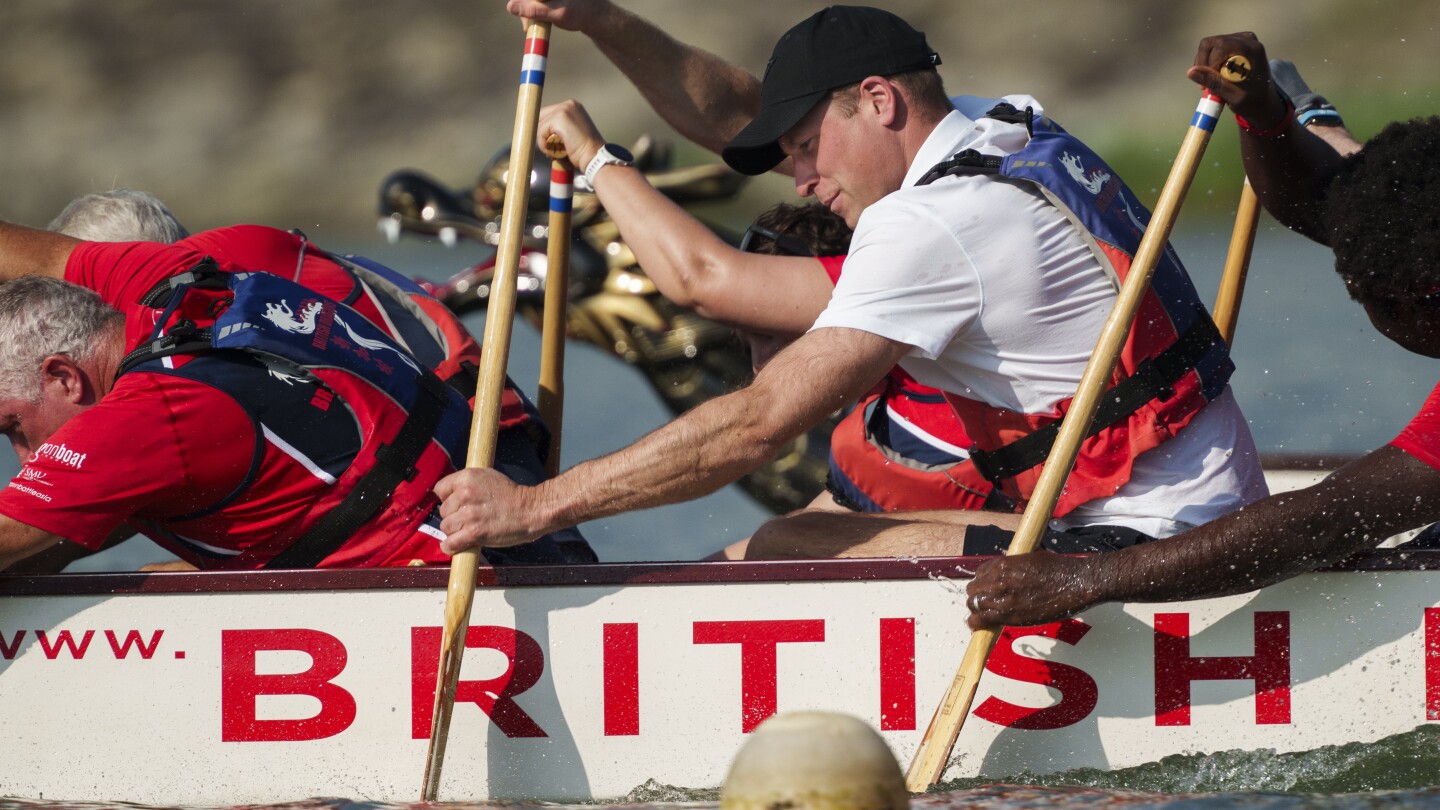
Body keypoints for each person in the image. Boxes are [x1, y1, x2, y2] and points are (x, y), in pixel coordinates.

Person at [434, 6, 1267, 560]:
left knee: (779, 550)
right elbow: (740, 119)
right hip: (1184, 503)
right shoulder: (1003, 125)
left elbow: (756, 427)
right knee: (792, 537)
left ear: (877, 100)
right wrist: (600, 19)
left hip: (1147, 545)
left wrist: (537, 508)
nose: (797, 178)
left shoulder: (934, 225)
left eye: (804, 149)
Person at [964, 33, 1440, 630]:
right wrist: (1265, 115)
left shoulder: (1416, 269)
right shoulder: (1423, 247)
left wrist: (1084, 579)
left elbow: (1325, 520)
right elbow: (1327, 201)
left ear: (1417, 308)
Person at [0, 194, 595, 572]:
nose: (24, 457)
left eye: (14, 429)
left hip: (469, 503)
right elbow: (34, 252)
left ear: (64, 375)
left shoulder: (148, 408)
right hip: (447, 465)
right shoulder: (178, 279)